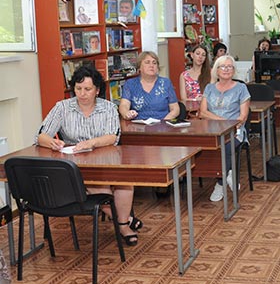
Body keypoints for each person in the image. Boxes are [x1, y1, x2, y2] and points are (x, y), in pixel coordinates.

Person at [35, 65, 141, 246]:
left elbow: (113, 136)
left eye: (87, 89)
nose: (82, 93)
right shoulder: (62, 107)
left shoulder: (108, 107)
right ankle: (124, 224)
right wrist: (52, 142)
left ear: (97, 90)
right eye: (78, 89)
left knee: (125, 182)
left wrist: (92, 143)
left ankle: (123, 221)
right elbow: (41, 135)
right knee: (97, 185)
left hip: (105, 159)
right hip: (74, 164)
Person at [200, 55, 250, 202]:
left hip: (235, 131)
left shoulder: (241, 88)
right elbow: (203, 112)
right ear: (217, 70)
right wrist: (223, 122)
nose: (226, 69)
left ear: (233, 70)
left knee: (226, 146)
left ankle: (220, 183)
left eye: (230, 67)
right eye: (223, 67)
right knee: (202, 148)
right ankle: (228, 173)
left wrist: (230, 126)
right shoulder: (209, 88)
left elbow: (243, 116)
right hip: (212, 131)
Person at [119, 51, 180, 121]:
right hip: (138, 124)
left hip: (162, 123)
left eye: (154, 63)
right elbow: (124, 105)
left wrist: (164, 121)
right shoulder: (130, 84)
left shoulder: (166, 83)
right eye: (147, 62)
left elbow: (175, 109)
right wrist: (127, 113)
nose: (151, 65)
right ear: (139, 67)